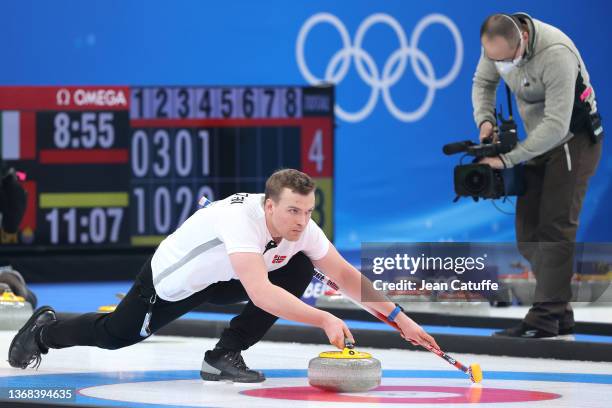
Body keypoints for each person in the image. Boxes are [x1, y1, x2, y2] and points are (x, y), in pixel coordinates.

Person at [9, 168, 439, 382]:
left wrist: (402, 320)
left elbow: (344, 275)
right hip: (171, 282)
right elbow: (261, 293)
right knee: (115, 335)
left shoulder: (302, 229)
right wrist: (325, 318)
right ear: (269, 206)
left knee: (304, 264)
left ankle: (222, 356)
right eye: (293, 210)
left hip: (222, 281)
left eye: (308, 212)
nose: (301, 221)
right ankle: (46, 331)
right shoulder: (240, 221)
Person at [472, 13, 603, 338]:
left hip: (573, 140)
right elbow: (483, 82)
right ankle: (560, 312)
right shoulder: (496, 44)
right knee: (528, 232)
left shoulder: (555, 52)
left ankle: (545, 317)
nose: (501, 65)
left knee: (555, 228)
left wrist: (508, 158)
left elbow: (557, 125)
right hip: (536, 142)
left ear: (524, 41)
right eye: (494, 58)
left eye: (507, 59)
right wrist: (485, 121)